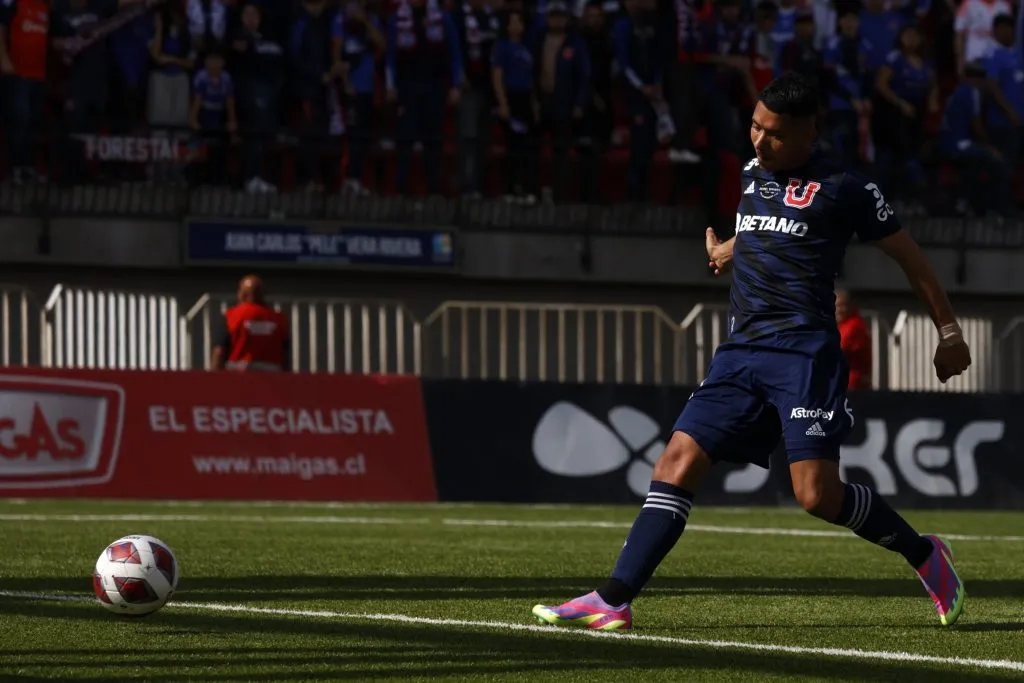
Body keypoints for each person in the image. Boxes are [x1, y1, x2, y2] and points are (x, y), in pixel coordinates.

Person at [532, 73, 971, 632]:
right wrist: (729, 250)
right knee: (676, 462)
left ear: (809, 133)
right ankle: (614, 598)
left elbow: (913, 261)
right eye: (755, 127)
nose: (759, 142)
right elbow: (770, 229)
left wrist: (950, 334)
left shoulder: (848, 188)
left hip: (804, 356)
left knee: (817, 496)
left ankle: (924, 554)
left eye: (774, 134)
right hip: (739, 353)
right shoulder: (752, 171)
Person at [211, 275, 290, 372]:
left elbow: (219, 351)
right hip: (272, 376)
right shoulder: (280, 320)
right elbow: (285, 355)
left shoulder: (231, 316)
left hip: (238, 374)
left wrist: (215, 380)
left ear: (243, 294)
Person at [835, 289, 871, 390]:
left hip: (851, 385)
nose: (839, 310)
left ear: (851, 306)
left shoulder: (855, 326)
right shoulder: (842, 325)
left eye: (843, 305)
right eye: (837, 306)